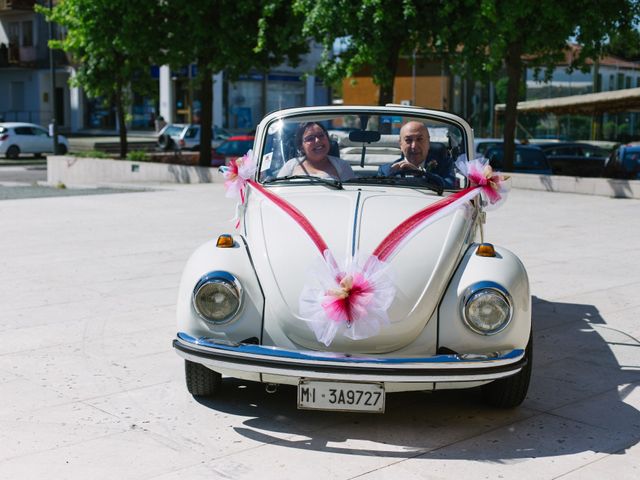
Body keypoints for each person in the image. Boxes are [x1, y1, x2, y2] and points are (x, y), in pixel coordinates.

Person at [377, 121, 454, 187]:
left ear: (428, 142)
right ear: (400, 144)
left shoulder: (445, 165)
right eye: (408, 140)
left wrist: (421, 173)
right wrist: (390, 177)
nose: (414, 146)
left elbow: (449, 186)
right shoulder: (386, 170)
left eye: (419, 139)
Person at [278, 122, 355, 181]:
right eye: (310, 138)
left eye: (321, 135)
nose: (317, 140)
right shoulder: (290, 166)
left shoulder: (343, 166)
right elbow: (276, 192)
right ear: (301, 147)